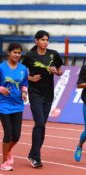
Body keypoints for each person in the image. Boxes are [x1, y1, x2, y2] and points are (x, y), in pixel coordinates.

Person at [22, 30, 63, 168]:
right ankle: (36, 156)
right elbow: (20, 72)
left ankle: (33, 154)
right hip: (35, 93)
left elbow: (60, 70)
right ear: (36, 41)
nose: (45, 42)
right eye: (43, 39)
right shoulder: (30, 56)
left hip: (48, 94)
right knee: (39, 122)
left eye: (47, 40)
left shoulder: (53, 54)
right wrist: (30, 78)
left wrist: (56, 71)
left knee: (42, 125)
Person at [0, 43, 28, 171]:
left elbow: (24, 83)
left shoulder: (23, 69)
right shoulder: (1, 68)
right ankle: (5, 162)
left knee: (16, 136)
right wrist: (1, 89)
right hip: (4, 105)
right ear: (9, 53)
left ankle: (8, 151)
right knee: (8, 133)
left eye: (19, 53)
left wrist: (24, 92)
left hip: (18, 105)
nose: (17, 55)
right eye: (14, 52)